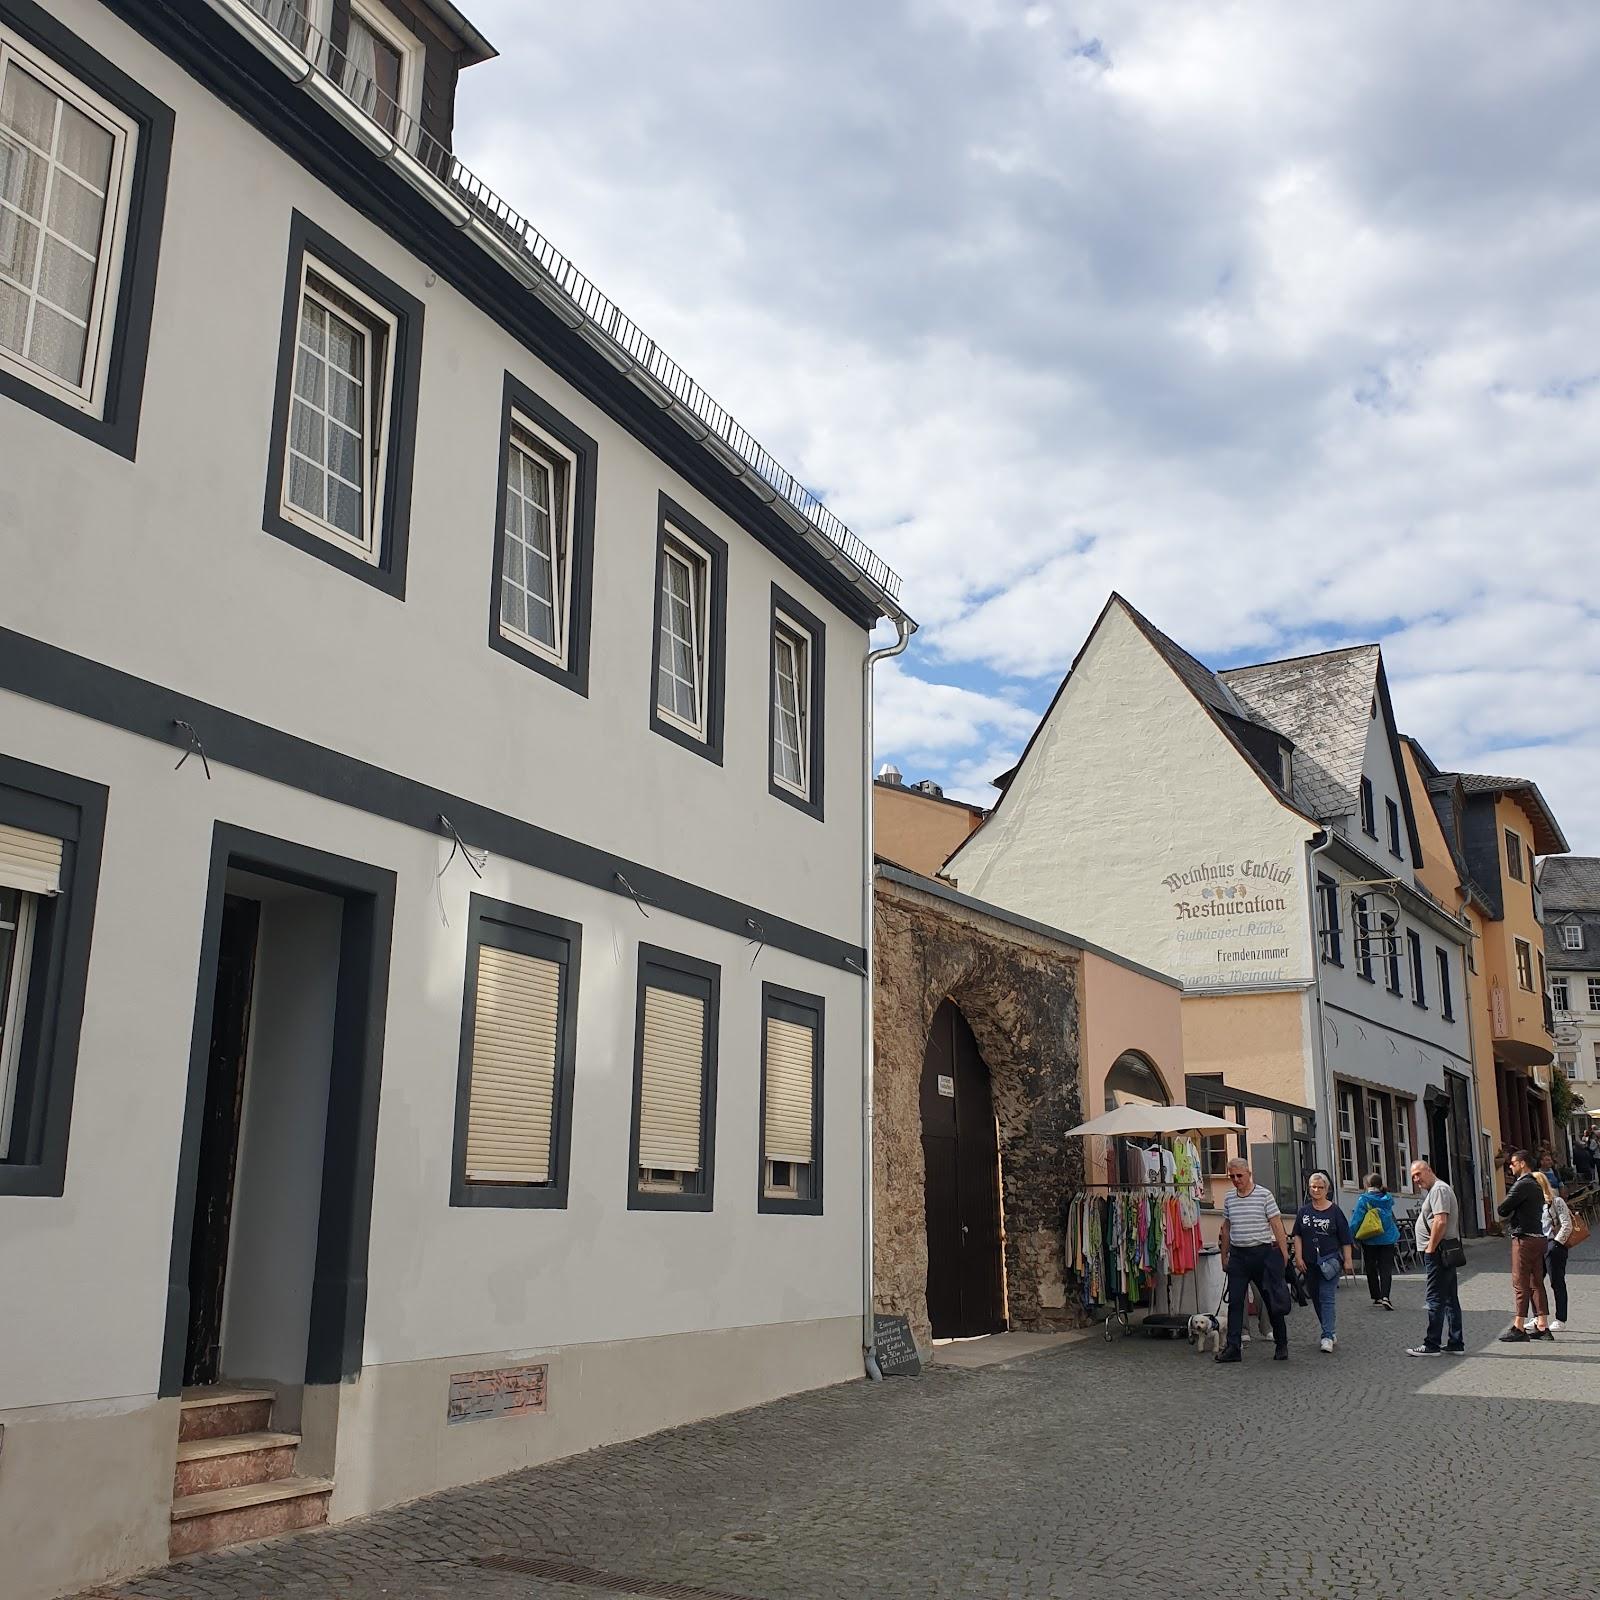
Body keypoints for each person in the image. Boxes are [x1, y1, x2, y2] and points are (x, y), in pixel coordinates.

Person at [1216, 1158, 1291, 1364]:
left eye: (1239, 1175)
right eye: (1232, 1176)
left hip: (1262, 1254)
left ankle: (1281, 1343)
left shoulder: (1264, 1195)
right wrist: (1224, 1256)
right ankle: (1233, 1347)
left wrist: (1283, 1253)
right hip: (1239, 1256)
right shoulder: (1230, 1198)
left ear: (1249, 1173)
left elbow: (1276, 1224)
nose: (1236, 1180)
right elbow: (1227, 1228)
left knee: (1270, 1300)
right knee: (1236, 1302)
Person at [1405, 1159, 1465, 1357]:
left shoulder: (1439, 1189)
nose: (1415, 1179)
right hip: (1441, 1250)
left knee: (1434, 1298)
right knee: (1449, 1297)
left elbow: (1440, 1220)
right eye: (1412, 1176)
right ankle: (1456, 1342)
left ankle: (1431, 1344)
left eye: (1418, 1174)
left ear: (1429, 1170)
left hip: (1438, 1251)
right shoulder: (1436, 1190)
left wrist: (1430, 1248)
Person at [1290, 1171, 1354, 1352]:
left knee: (1327, 1297)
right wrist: (1299, 1257)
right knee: (1316, 1297)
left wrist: (1348, 1260)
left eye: (1320, 1187)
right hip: (1309, 1263)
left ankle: (1327, 1335)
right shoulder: (1304, 1211)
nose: (1316, 1190)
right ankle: (1329, 1329)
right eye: (1313, 1187)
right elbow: (1298, 1235)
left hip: (1330, 1261)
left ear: (1327, 1189)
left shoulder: (1335, 1211)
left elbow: (1345, 1238)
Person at [1496, 1149, 1553, 1342]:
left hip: (1524, 1238)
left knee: (1520, 1282)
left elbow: (1503, 1209)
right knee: (1536, 1282)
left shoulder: (1522, 1184)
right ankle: (1542, 1325)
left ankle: (1519, 1326)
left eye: (1512, 1163)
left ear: (1522, 1164)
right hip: (1539, 1237)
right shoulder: (1536, 1184)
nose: (1510, 1166)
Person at [1348, 1172, 1400, 1309]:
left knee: (1371, 1268)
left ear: (1367, 1185)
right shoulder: (1388, 1198)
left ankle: (1376, 1296)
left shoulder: (1364, 1199)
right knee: (1386, 1269)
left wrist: (1351, 1235)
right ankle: (1385, 1296)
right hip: (1388, 1238)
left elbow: (1356, 1219)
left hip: (1370, 1239)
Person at [1539, 1169, 1575, 1331]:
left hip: (1554, 1246)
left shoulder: (1556, 1201)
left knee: (1557, 1282)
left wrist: (1556, 1243)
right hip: (1538, 1246)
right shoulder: (1533, 1204)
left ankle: (1561, 1318)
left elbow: (1567, 1224)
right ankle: (1538, 1317)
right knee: (1535, 1283)